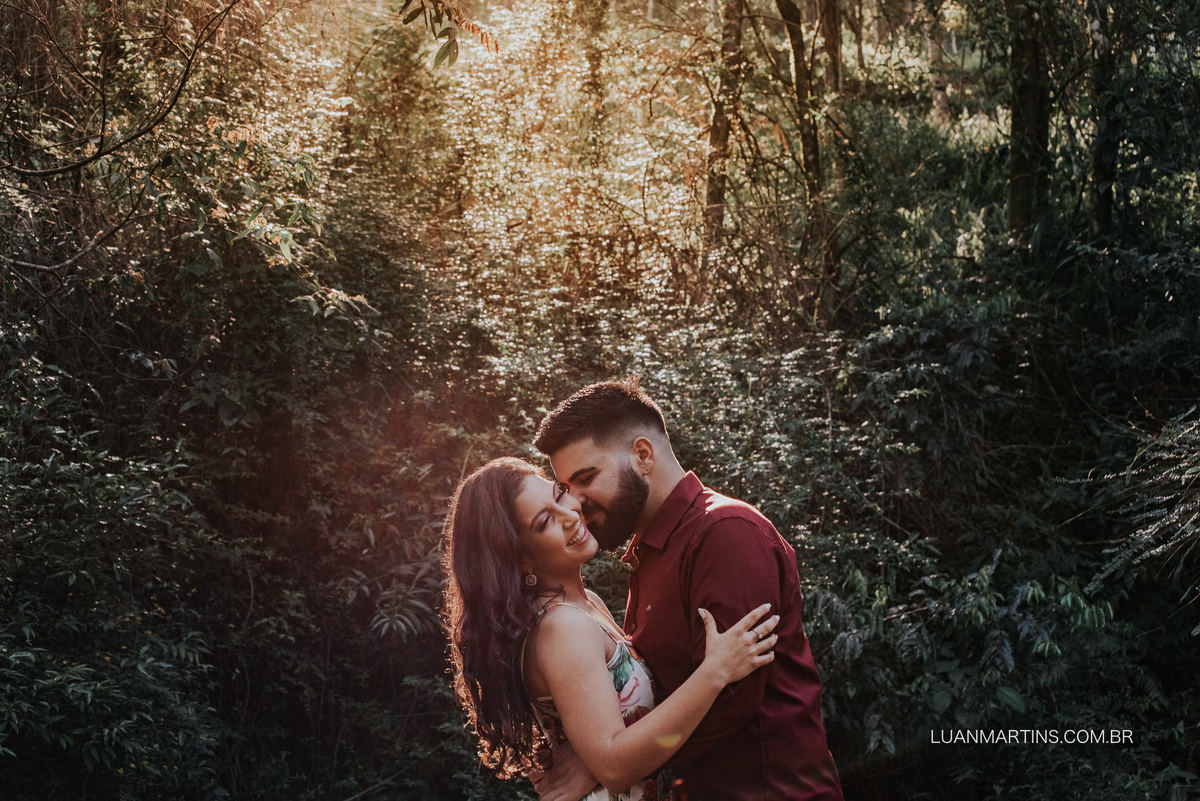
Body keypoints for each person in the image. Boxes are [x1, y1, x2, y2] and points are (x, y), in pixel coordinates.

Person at [531, 378, 845, 801]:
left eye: (587, 477)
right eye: (567, 488)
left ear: (642, 455)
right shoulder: (652, 551)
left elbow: (731, 700)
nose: (577, 502)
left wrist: (602, 763)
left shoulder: (724, 533)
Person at [442, 456, 781, 801]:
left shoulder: (585, 604)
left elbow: (612, 737)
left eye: (559, 495)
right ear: (520, 558)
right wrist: (716, 672)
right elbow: (615, 767)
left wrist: (589, 761)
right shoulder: (563, 627)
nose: (570, 515)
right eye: (545, 522)